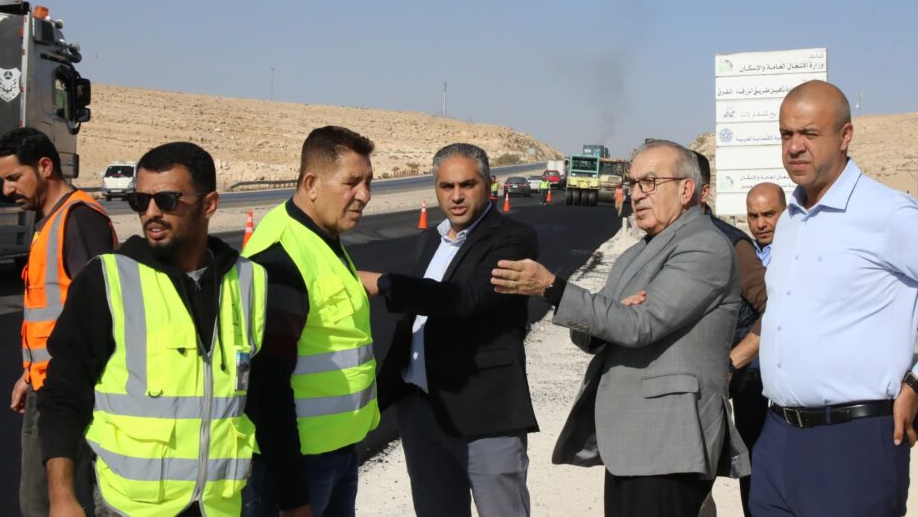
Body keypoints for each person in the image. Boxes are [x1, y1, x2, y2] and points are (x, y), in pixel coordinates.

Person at [491, 139, 749, 517]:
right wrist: (609, 317)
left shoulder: (704, 246)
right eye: (633, 183)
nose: (636, 194)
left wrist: (553, 288)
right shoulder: (634, 255)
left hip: (669, 440)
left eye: (650, 182)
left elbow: (639, 326)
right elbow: (593, 328)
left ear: (686, 189)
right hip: (630, 439)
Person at [751, 80, 918, 517]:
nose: (795, 147)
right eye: (787, 134)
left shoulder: (886, 213)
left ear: (845, 136)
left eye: (809, 134)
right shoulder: (789, 220)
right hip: (777, 439)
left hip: (852, 443)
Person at [37, 142, 269, 517]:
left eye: (166, 200)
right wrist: (61, 497)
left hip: (220, 506)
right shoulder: (108, 279)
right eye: (140, 201)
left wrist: (291, 497)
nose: (151, 213)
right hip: (130, 506)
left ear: (209, 204)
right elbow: (63, 391)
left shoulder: (248, 281)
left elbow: (264, 397)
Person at [361, 143, 539, 517]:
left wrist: (384, 283)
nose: (456, 196)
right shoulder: (432, 239)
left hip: (484, 415)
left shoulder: (514, 239)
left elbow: (466, 297)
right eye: (446, 186)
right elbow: (416, 318)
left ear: (489, 184)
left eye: (467, 185)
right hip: (421, 411)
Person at [243, 126, 379, 517]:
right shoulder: (280, 258)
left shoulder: (321, 234)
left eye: (368, 182)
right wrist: (293, 498)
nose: (364, 195)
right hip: (295, 468)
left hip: (335, 453)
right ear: (311, 184)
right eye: (351, 183)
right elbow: (267, 390)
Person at [0, 127, 117, 517]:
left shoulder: (79, 220)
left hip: (69, 392)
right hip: (48, 383)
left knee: (49, 504)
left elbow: (98, 314)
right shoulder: (51, 220)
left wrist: (66, 387)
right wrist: (29, 374)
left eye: (14, 178)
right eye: (3, 180)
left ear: (45, 166)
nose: (7, 190)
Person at [692, 152, 770, 517]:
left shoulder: (732, 245)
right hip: (691, 384)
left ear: (699, 190)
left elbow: (775, 310)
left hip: (743, 382)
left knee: (752, 471)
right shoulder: (660, 243)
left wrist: (733, 361)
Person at [745, 183, 785, 267]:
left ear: (785, 213)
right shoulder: (741, 252)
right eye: (753, 216)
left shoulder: (798, 252)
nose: (760, 225)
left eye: (768, 214)